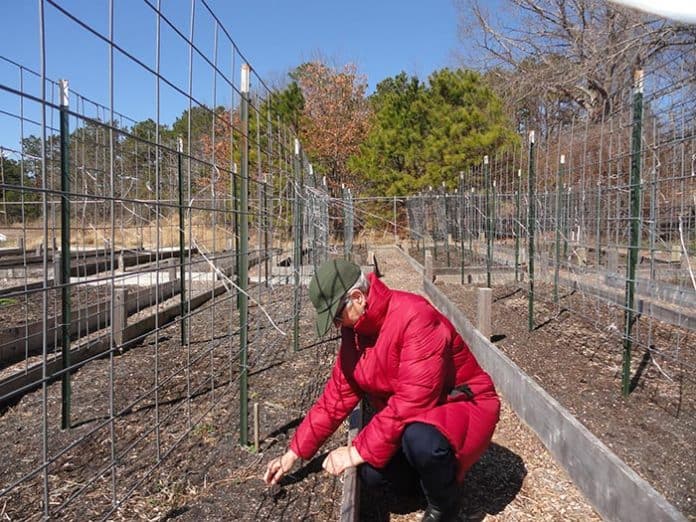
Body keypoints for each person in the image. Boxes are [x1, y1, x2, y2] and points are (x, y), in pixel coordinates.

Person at [263, 258, 500, 522]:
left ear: (357, 297)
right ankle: (427, 483)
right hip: (418, 412)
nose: (337, 325)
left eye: (337, 316)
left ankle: (445, 506)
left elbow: (413, 401)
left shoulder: (414, 317)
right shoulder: (354, 334)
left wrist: (354, 451)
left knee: (419, 440)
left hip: (461, 402)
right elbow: (338, 395)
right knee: (371, 473)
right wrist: (293, 453)